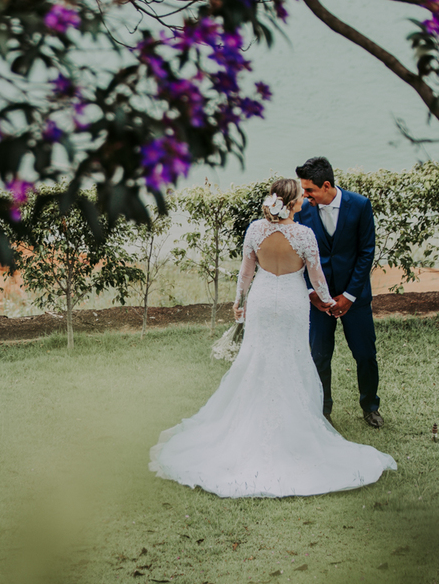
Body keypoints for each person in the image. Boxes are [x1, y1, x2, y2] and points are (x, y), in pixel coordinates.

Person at [148, 177, 396, 498]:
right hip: (292, 304)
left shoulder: (255, 230)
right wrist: (328, 301)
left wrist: (239, 300)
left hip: (263, 301)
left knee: (258, 360)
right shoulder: (304, 235)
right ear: (293, 203)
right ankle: (292, 434)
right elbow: (316, 276)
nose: (305, 201)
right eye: (301, 198)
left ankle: (248, 429)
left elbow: (246, 273)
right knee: (292, 359)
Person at [294, 156, 384, 428]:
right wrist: (312, 292)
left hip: (354, 298)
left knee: (365, 355)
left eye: (309, 190)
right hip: (318, 301)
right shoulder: (302, 211)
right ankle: (323, 411)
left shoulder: (359, 205)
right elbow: (298, 255)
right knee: (319, 355)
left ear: (326, 185)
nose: (304, 195)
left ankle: (370, 406)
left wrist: (349, 296)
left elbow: (366, 253)